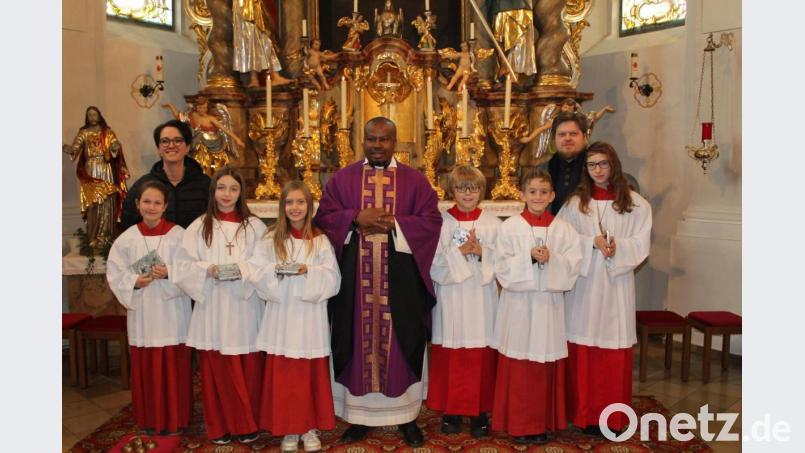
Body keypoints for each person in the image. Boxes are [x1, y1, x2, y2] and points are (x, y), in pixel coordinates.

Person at [314, 117, 442, 447]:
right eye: (371, 139)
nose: (377, 145)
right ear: (363, 141)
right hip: (356, 284)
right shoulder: (343, 179)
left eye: (384, 139)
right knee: (356, 342)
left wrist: (395, 225)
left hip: (400, 284)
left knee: (403, 345)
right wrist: (355, 218)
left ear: (395, 141)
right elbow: (324, 217)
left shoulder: (415, 181)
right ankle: (359, 418)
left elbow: (432, 221)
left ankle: (406, 417)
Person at [556, 142, 652, 436]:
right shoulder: (575, 204)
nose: (597, 170)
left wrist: (617, 248)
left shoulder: (636, 204)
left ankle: (611, 416)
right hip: (584, 286)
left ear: (614, 165)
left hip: (615, 285)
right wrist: (591, 243)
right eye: (591, 165)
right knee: (582, 347)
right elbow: (560, 239)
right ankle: (582, 413)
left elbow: (641, 243)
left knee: (611, 348)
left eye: (603, 164)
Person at [173, 168, 267, 445]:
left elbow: (264, 263)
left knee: (247, 366)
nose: (227, 194)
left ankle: (248, 424)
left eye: (233, 189)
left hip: (244, 305)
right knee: (217, 368)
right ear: (213, 192)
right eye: (221, 188)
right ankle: (219, 426)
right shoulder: (200, 226)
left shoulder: (255, 227)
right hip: (213, 305)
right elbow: (182, 265)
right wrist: (207, 268)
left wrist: (242, 270)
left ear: (241, 193)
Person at [247, 181, 341, 452]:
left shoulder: (320, 240)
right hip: (282, 315)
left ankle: (309, 428)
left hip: (309, 316)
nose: (295, 208)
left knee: (308, 375)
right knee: (286, 375)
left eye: (301, 202)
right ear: (282, 207)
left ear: (310, 207)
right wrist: (275, 271)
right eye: (289, 203)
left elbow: (333, 279)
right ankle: (289, 429)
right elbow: (256, 271)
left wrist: (306, 272)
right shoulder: (271, 238)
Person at [492, 168, 581, 444]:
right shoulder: (510, 227)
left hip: (548, 306)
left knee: (543, 366)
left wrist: (552, 260)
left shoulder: (564, 229)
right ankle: (519, 424)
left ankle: (541, 423)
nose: (538, 197)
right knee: (520, 367)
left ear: (553, 195)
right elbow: (501, 267)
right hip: (519, 306)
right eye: (532, 192)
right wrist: (528, 259)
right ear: (522, 194)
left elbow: (574, 266)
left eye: (544, 192)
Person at [106, 181, 193, 435]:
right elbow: (115, 274)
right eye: (147, 202)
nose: (151, 207)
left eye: (157, 202)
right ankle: (149, 419)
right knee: (147, 370)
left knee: (173, 369)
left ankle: (176, 419)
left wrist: (169, 273)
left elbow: (190, 271)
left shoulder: (179, 235)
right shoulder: (127, 239)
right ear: (137, 204)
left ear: (165, 206)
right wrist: (134, 281)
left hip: (172, 313)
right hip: (143, 313)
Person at [427, 166, 501, 437]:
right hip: (452, 298)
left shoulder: (493, 224)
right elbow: (433, 265)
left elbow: (504, 263)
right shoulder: (441, 223)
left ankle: (480, 413)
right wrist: (459, 253)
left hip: (482, 299)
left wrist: (482, 252)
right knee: (453, 356)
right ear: (452, 191)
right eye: (461, 188)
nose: (467, 193)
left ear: (482, 191)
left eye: (473, 188)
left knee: (480, 355)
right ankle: (452, 412)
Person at [121, 120, 211, 230]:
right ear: (158, 148)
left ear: (187, 147)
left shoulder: (206, 184)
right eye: (165, 141)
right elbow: (128, 226)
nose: (171, 145)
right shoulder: (142, 186)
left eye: (178, 141)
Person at [63, 106, 129, 248]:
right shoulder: (84, 133)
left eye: (95, 114)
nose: (92, 117)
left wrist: (115, 147)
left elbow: (114, 147)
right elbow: (75, 148)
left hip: (105, 168)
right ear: (87, 117)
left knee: (108, 200)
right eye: (90, 115)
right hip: (91, 169)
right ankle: (93, 237)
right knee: (93, 203)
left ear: (99, 116)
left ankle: (108, 236)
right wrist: (68, 149)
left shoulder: (108, 132)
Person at [162, 97, 245, 177]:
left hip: (214, 145)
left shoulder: (211, 118)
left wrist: (237, 140)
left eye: (204, 108)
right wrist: (170, 106)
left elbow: (225, 129)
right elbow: (178, 117)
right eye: (200, 107)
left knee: (216, 167)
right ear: (196, 107)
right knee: (199, 164)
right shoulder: (192, 115)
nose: (202, 110)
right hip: (199, 144)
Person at [232, 0, 291, 88]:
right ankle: (254, 78)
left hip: (256, 6)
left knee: (266, 39)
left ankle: (275, 75)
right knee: (250, 40)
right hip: (244, 7)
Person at [543, 111, 589, 215]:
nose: (567, 138)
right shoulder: (542, 170)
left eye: (573, 134)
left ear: (584, 137)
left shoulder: (596, 168)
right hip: (551, 228)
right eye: (562, 134)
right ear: (554, 138)